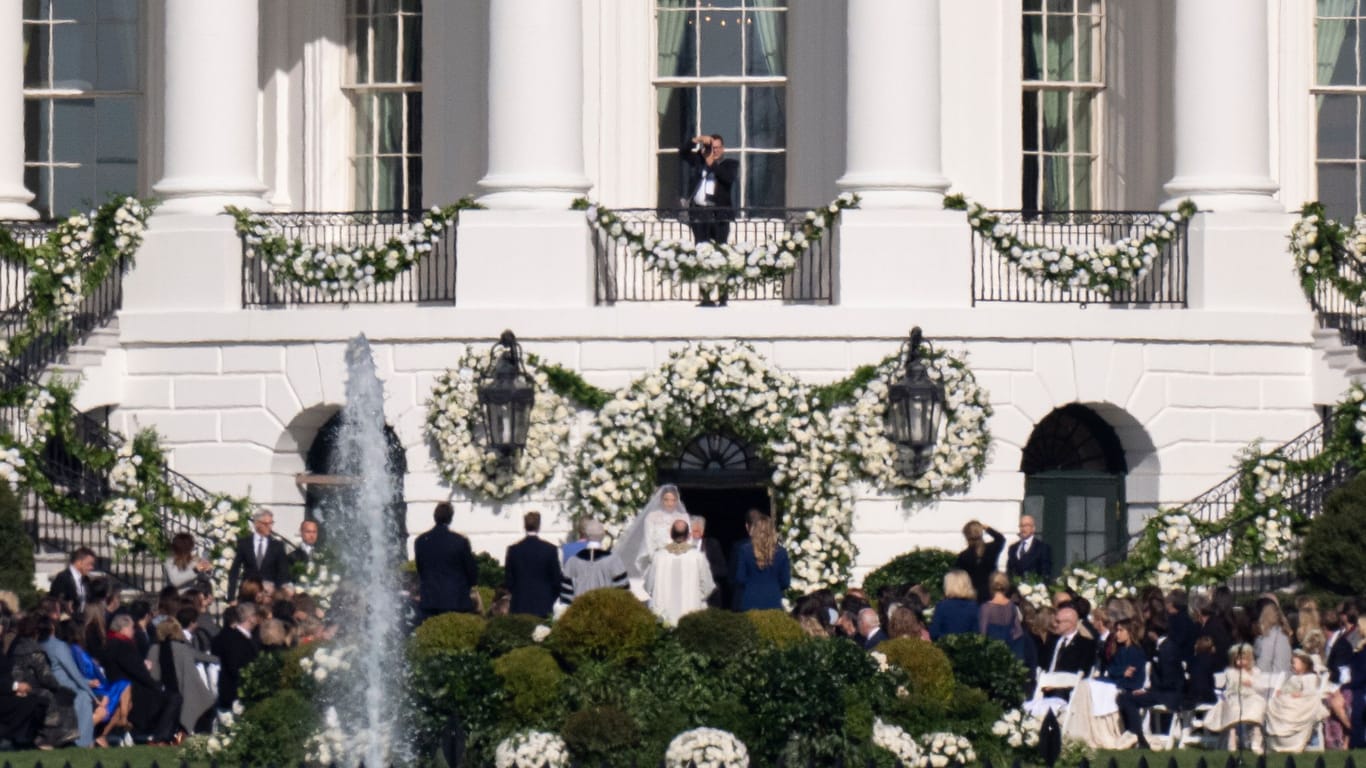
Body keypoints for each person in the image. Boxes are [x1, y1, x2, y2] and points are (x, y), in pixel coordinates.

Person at [100, 614, 181, 745]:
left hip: (123, 688)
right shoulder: (123, 645)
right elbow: (138, 672)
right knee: (174, 698)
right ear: (123, 628)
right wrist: (156, 685)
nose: (134, 631)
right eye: (132, 628)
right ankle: (160, 737)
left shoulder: (110, 643)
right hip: (135, 693)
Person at [8, 615, 78, 748]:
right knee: (64, 695)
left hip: (18, 685)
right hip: (30, 687)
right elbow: (45, 676)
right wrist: (57, 686)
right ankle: (57, 736)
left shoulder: (16, 644)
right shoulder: (34, 649)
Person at [146, 618, 219, 736]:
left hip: (161, 691)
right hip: (177, 692)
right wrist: (219, 660)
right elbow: (199, 656)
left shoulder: (155, 648)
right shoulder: (182, 648)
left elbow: (153, 675)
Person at [39, 617, 101, 748]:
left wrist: (88, 682)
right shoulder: (58, 645)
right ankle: (83, 741)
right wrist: (92, 694)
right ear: (53, 628)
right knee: (84, 697)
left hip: (51, 684)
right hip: (63, 685)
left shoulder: (40, 644)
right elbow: (73, 672)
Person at [413, 502, 479, 618]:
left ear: (434, 517)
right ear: (450, 518)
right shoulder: (459, 541)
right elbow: (471, 571)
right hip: (456, 598)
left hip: (430, 598)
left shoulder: (421, 541)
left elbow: (420, 568)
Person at [643, 519, 714, 625]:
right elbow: (708, 586)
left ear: (671, 534)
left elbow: (648, 585)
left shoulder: (659, 556)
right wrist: (694, 597)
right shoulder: (697, 557)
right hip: (690, 611)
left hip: (664, 613)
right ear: (688, 535)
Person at [1202, 643, 1268, 751]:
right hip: (1235, 696)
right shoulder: (1231, 672)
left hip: (1251, 696)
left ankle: (1256, 740)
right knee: (1233, 707)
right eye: (1238, 659)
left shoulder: (1255, 672)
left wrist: (1251, 683)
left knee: (1258, 705)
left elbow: (1261, 688)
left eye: (1244, 659)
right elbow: (1230, 687)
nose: (1241, 662)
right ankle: (1231, 740)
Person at [617, 485, 691, 579]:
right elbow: (649, 541)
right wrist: (658, 560)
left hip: (679, 561)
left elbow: (688, 540)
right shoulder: (652, 517)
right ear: (661, 500)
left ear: (677, 501)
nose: (670, 503)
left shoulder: (684, 517)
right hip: (657, 562)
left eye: (673, 500)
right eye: (666, 499)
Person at [1265, 649, 1330, 752]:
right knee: (1275, 703)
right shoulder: (1293, 678)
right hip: (1291, 702)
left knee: (1293, 708)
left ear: (1304, 664)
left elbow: (1312, 692)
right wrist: (1281, 693)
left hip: (1303, 703)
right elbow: (1287, 690)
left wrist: (1301, 694)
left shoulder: (1310, 677)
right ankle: (1279, 740)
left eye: (1294, 663)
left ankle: (1295, 740)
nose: (1292, 665)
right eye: (1292, 663)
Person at [678, 134, 738, 244]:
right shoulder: (699, 162)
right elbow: (683, 153)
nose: (714, 151)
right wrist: (696, 140)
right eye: (712, 148)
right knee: (701, 247)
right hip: (699, 212)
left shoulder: (729, 164)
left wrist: (711, 163)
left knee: (720, 248)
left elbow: (727, 178)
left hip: (719, 214)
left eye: (717, 148)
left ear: (722, 149)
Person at [504, 511, 562, 618]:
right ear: (539, 525)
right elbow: (556, 579)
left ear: (524, 525)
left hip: (520, 603)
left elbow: (509, 580)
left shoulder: (514, 550)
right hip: (544, 603)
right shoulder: (550, 550)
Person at [559, 520, 631, 604]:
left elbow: (566, 596)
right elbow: (623, 592)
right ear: (603, 535)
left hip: (580, 611)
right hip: (606, 610)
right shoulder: (613, 560)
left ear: (585, 535)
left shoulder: (573, 561)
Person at [227, 509, 290, 599]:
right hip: (248, 594)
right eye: (266, 524)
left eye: (271, 523)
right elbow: (234, 571)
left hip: (268, 597)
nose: (270, 527)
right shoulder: (244, 543)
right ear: (257, 524)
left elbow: (283, 572)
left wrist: (275, 590)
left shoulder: (277, 546)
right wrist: (231, 597)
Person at [732, 514, 791, 611]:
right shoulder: (781, 552)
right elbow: (785, 582)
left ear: (754, 530)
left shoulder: (744, 550)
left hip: (750, 601)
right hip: (773, 600)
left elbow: (740, 578)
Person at [211, 604, 259, 713]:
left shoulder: (246, 637)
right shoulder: (235, 639)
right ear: (250, 618)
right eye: (255, 616)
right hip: (236, 692)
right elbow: (235, 666)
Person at [978, 572, 1029, 663]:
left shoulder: (986, 608)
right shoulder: (1011, 606)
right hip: (1008, 653)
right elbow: (1018, 632)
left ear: (991, 585)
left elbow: (982, 634)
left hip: (992, 656)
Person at [0, 650, 45, 750]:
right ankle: (9, 738)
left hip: (5, 692)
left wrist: (14, 690)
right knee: (33, 703)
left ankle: (20, 740)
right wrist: (15, 687)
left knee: (37, 702)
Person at [955, 521, 1005, 603]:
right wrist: (987, 528)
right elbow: (1001, 539)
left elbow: (959, 576)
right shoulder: (991, 549)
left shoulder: (963, 556)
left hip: (973, 595)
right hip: (991, 593)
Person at [689, 515, 728, 609]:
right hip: (689, 594)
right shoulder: (682, 547)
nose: (698, 531)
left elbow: (723, 570)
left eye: (700, 529)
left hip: (710, 597)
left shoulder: (712, 544)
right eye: (694, 529)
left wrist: (703, 569)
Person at [929, 570, 978, 640]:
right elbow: (977, 634)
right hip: (967, 648)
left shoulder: (942, 606)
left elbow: (934, 633)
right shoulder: (975, 607)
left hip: (944, 647)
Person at [48, 547, 95, 615]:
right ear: (79, 562)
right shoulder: (63, 578)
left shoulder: (86, 580)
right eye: (89, 564)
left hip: (82, 621)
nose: (91, 568)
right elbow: (55, 601)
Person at [1006, 515, 1052, 580]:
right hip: (1014, 588)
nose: (1023, 528)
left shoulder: (1042, 548)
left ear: (1033, 528)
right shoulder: (1013, 548)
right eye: (1021, 526)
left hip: (1033, 587)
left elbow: (1045, 573)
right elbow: (1009, 571)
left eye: (1027, 525)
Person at [1255, 600, 1294, 676]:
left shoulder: (1269, 637)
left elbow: (1265, 661)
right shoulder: (1283, 634)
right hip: (1286, 675)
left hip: (1274, 678)